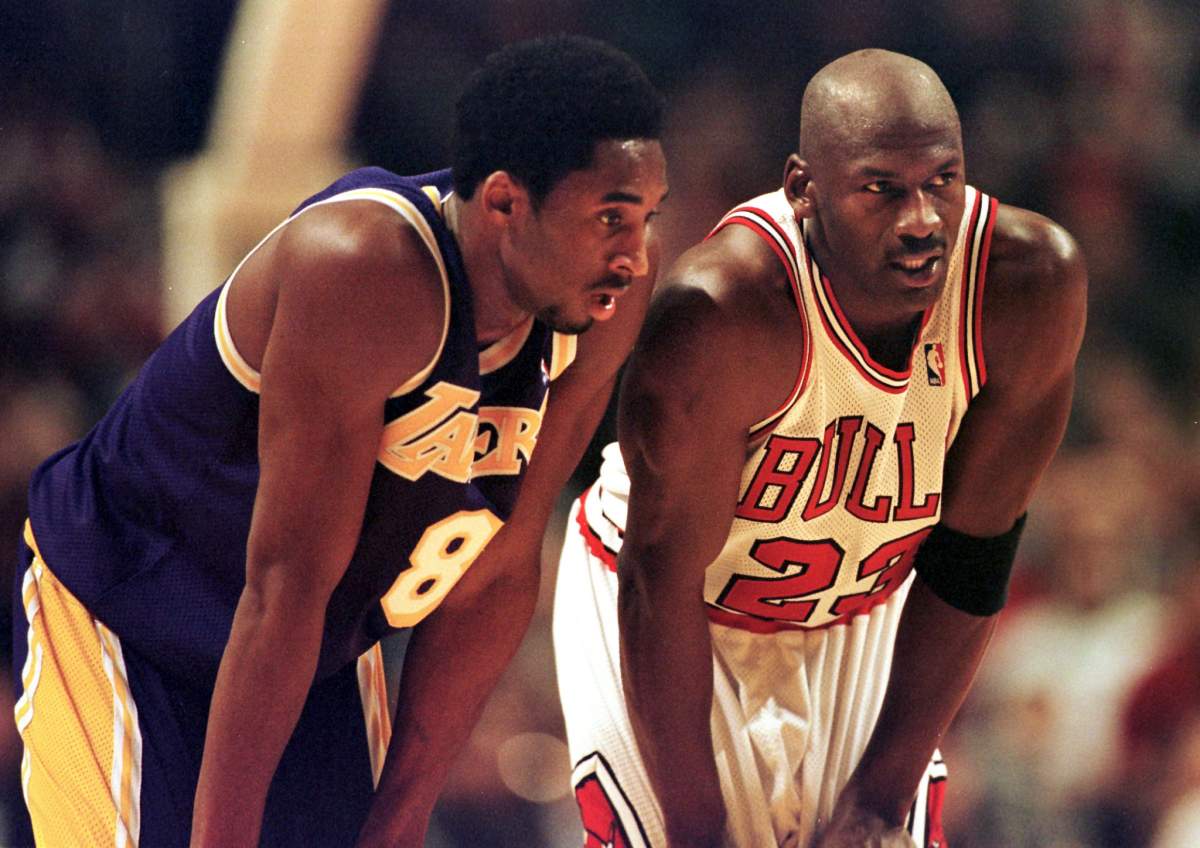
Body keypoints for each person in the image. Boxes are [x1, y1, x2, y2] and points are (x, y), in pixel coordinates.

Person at [13, 35, 667, 847]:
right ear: (503, 203)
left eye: (646, 220)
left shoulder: (596, 304)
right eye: (610, 218)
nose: (635, 258)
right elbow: (281, 588)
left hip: (310, 644)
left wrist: (400, 819)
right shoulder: (365, 269)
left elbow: (496, 576)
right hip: (130, 601)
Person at [553, 48, 1086, 848]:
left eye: (942, 181)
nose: (921, 220)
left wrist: (882, 792)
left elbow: (974, 560)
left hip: (858, 607)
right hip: (676, 603)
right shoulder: (722, 311)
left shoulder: (1028, 283)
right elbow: (659, 583)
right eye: (882, 190)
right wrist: (699, 833)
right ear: (804, 189)